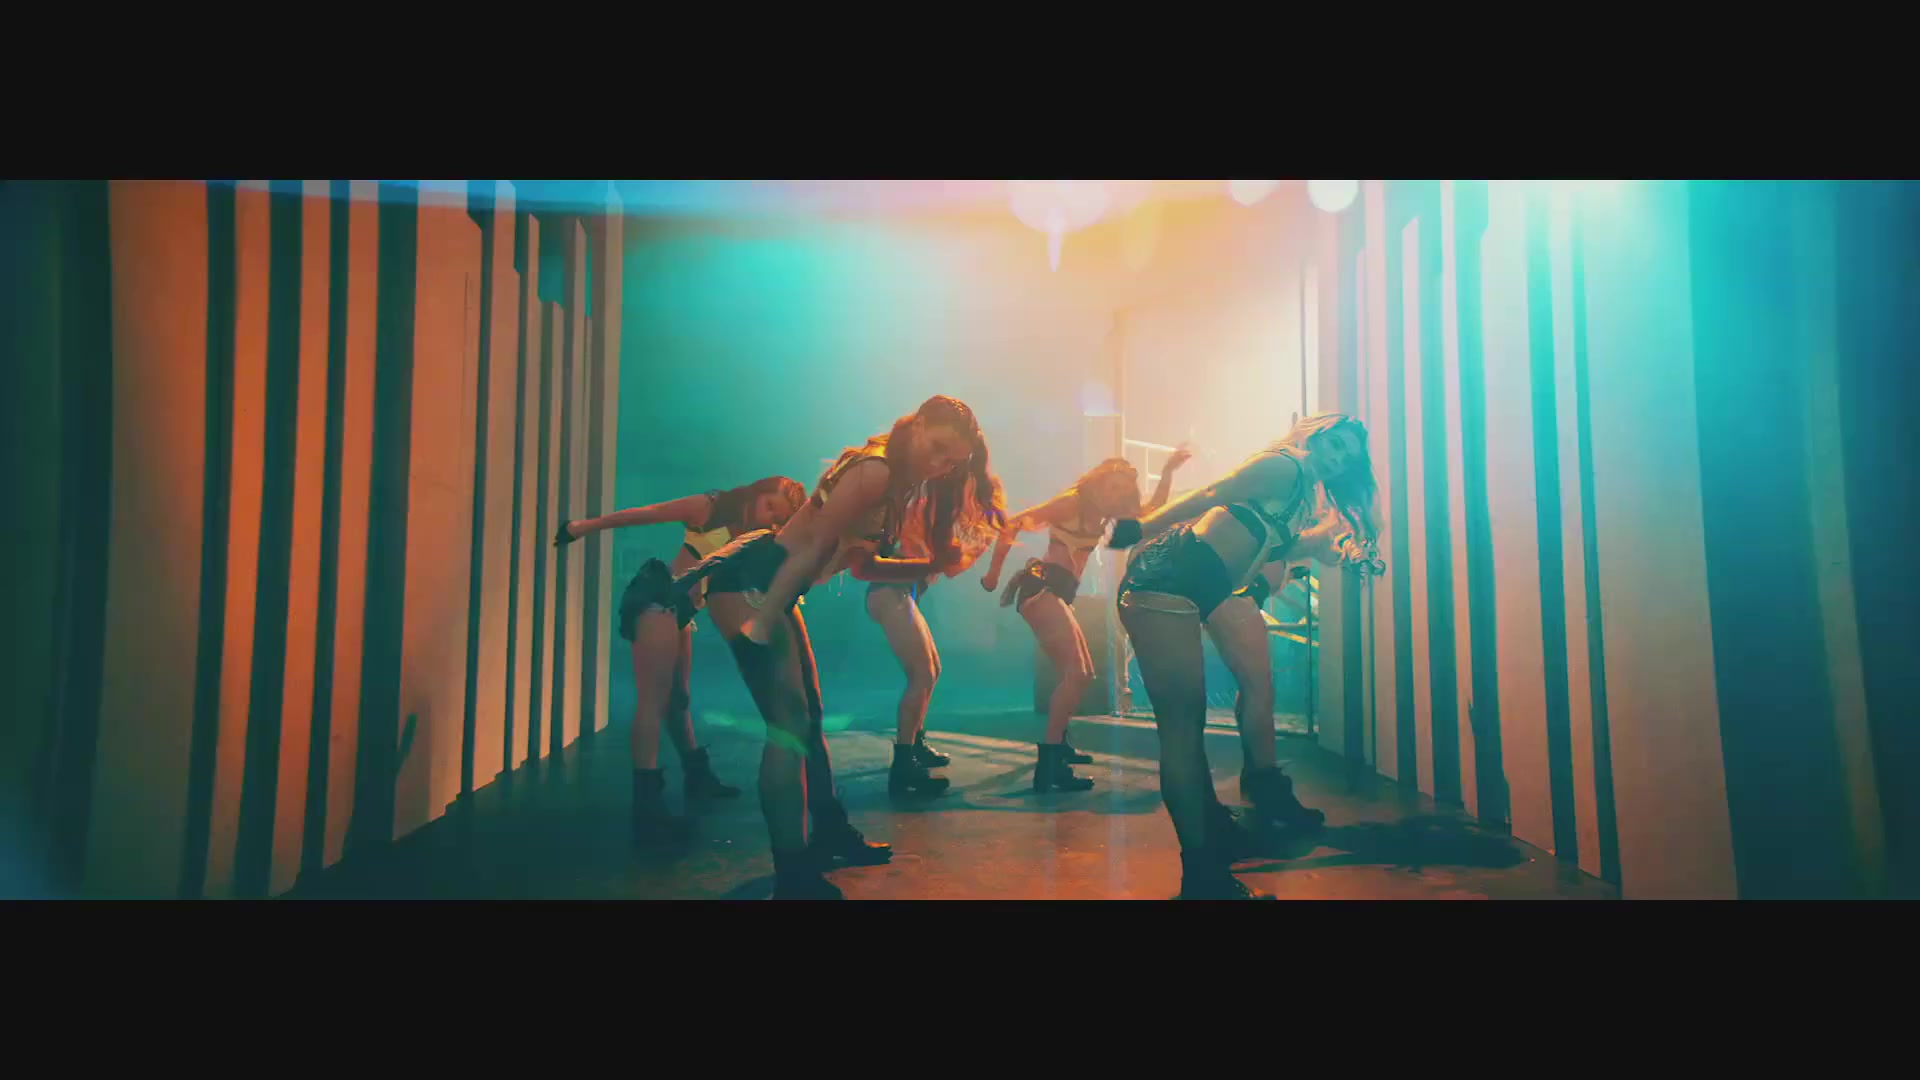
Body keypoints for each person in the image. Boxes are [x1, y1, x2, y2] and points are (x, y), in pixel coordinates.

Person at [665, 395, 1005, 900]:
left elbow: (860, 565)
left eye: (951, 461)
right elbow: (820, 543)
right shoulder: (876, 472)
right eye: (937, 448)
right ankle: (793, 875)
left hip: (774, 585)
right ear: (917, 426)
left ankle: (827, 834)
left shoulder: (899, 478)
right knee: (788, 727)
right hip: (755, 584)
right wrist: (766, 617)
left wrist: (930, 565)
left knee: (809, 718)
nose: (940, 465)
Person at [1108, 413, 1379, 900]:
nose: (1337, 460)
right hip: (1165, 580)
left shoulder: (1302, 495)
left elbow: (1268, 548)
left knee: (1190, 728)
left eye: (1347, 458)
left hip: (1197, 587)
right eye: (1335, 445)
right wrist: (1140, 526)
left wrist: (1319, 545)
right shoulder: (1285, 465)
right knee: (1182, 731)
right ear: (1316, 435)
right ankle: (1203, 877)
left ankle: (1212, 839)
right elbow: (1214, 492)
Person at [555, 476, 807, 843]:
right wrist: (581, 528)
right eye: (770, 506)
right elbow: (649, 513)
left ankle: (697, 776)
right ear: (755, 494)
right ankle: (647, 811)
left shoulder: (755, 537)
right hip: (658, 598)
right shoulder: (710, 507)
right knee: (653, 703)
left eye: (778, 517)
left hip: (682, 610)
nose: (769, 519)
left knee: (679, 699)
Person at [979, 449, 1191, 791]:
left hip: (1059, 594)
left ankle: (1059, 746)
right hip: (1042, 589)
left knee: (1080, 674)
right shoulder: (1071, 503)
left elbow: (1152, 509)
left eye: (1122, 491)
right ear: (1097, 483)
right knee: (1078, 674)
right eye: (1111, 486)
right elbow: (1014, 524)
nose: (1116, 495)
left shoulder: (1105, 515)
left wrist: (1167, 470)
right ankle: (1050, 764)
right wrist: (992, 575)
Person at [1203, 503, 1378, 832]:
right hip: (1231, 595)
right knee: (1258, 689)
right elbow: (1280, 548)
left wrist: (1330, 547)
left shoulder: (1290, 518)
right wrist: (1321, 538)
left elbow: (1314, 554)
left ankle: (1257, 782)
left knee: (1254, 688)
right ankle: (1266, 789)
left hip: (1232, 593)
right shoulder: (1283, 516)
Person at [862, 487, 997, 798]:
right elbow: (947, 565)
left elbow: (951, 567)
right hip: (890, 591)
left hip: (900, 592)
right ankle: (904, 765)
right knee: (922, 673)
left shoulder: (939, 517)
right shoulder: (927, 509)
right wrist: (980, 542)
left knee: (931, 671)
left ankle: (915, 745)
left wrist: (980, 542)